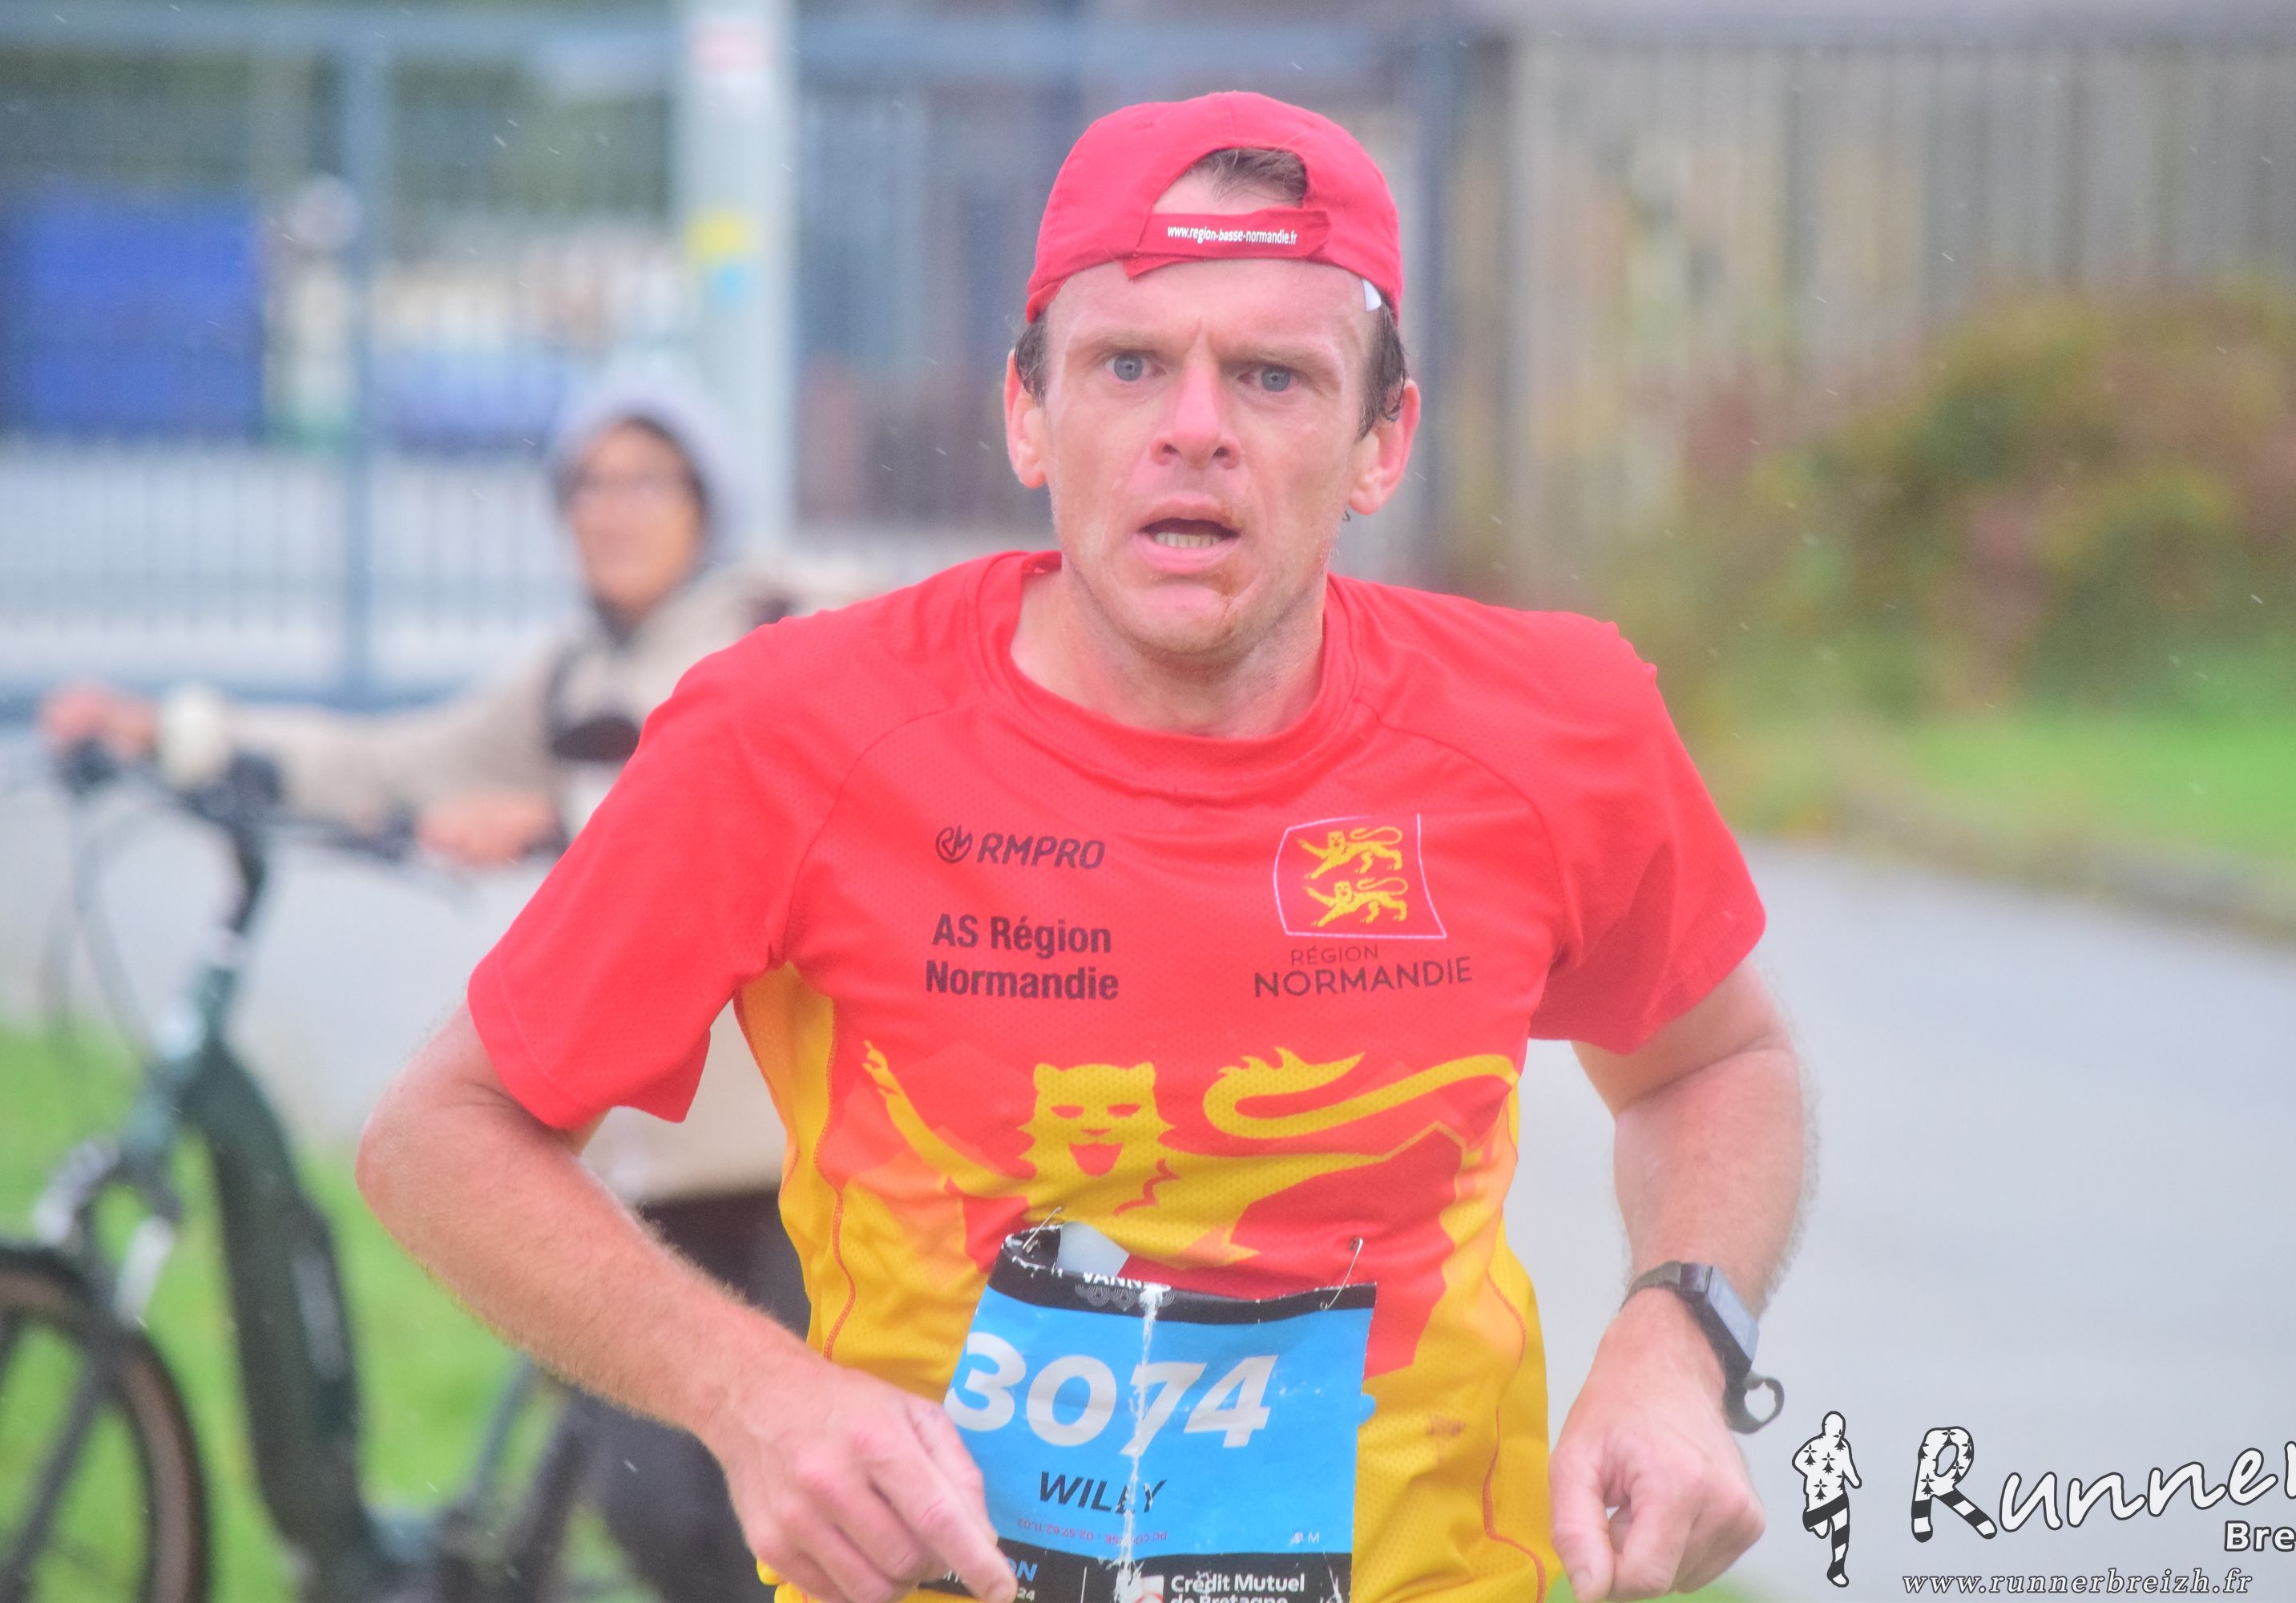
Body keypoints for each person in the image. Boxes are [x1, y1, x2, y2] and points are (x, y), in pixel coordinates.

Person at [354, 92, 1806, 1603]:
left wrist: (1677, 1339)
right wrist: (752, 1395)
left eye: (1274, 376)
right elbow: (442, 1135)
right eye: (1128, 364)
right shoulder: (795, 733)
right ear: (1028, 415)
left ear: (1384, 443)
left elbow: (1717, 1065)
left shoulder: (1553, 725)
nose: (1196, 427)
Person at [41, 364, 816, 1603]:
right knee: (654, 1504)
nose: (612, 509)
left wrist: (552, 817)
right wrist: (180, 733)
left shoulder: (774, 632)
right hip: (644, 1162)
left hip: (784, 1163)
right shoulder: (570, 673)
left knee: (763, 1514)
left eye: (647, 480)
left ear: (704, 499)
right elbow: (395, 759)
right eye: (589, 482)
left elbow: (757, 797)